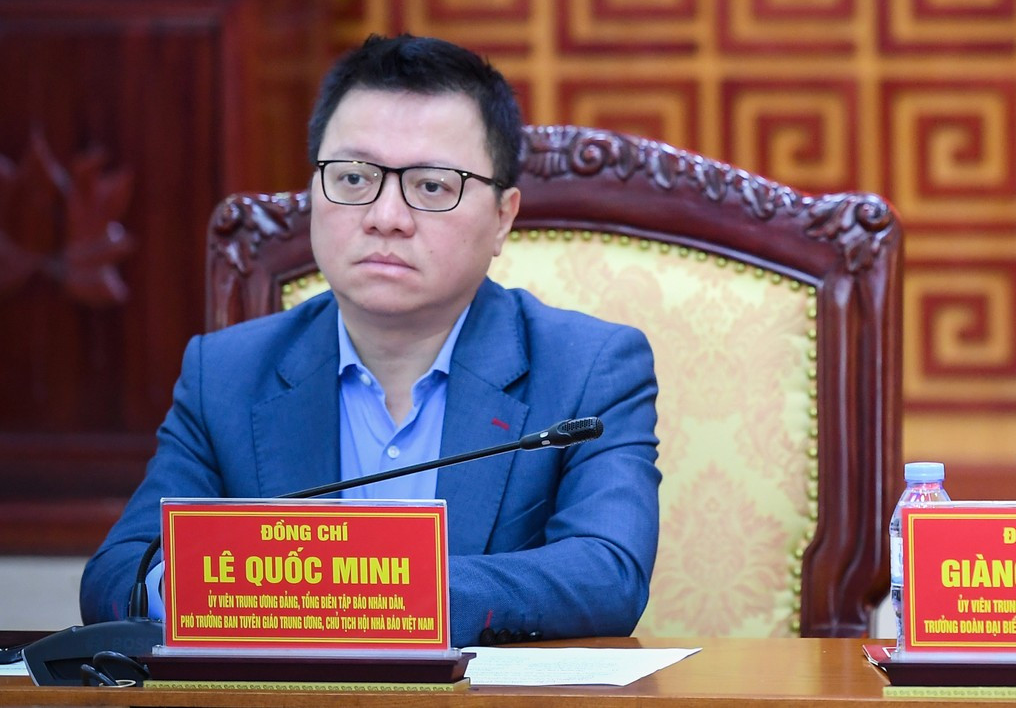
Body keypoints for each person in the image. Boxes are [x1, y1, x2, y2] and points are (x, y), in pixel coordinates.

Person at [80, 35, 660, 646]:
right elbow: (119, 575)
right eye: (354, 177)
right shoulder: (225, 373)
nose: (385, 215)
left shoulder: (588, 368)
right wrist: (206, 588)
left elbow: (607, 573)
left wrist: (365, 591)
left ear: (503, 217)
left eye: (433, 186)